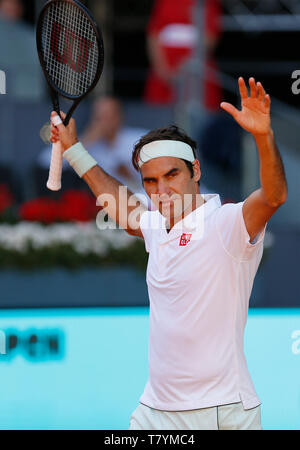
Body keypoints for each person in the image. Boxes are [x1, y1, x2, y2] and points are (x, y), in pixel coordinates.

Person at [49, 77, 287, 430]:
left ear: (196, 171)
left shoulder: (226, 223)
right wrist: (74, 150)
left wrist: (263, 138)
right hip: (154, 410)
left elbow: (273, 197)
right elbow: (125, 211)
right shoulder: (155, 226)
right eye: (150, 181)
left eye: (171, 175)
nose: (161, 190)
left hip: (221, 411)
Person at [38, 96, 147, 194]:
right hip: (100, 206)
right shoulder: (88, 144)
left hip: (138, 202)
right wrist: (85, 140)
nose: (103, 123)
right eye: (99, 118)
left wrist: (130, 176)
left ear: (119, 117)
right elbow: (45, 161)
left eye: (108, 117)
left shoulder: (140, 140)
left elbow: (155, 183)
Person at [144, 0, 222, 109]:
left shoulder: (207, 3)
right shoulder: (164, 2)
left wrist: (186, 68)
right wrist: (163, 70)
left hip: (196, 71)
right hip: (165, 73)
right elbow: (153, 35)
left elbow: (210, 37)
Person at [0, 0, 43, 101]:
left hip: (30, 103)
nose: (12, 7)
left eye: (16, 3)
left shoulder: (32, 36)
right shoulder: (32, 36)